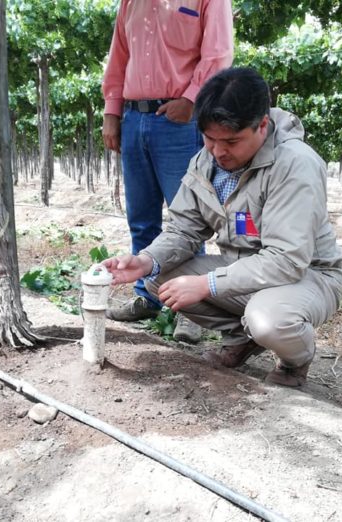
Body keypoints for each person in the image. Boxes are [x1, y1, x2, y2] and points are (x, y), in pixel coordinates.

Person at [102, 67, 342, 387]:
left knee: (268, 320)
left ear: (261, 125)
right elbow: (183, 229)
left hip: (308, 275)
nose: (218, 151)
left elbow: (287, 260)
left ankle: (294, 361)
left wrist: (208, 284)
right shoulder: (207, 160)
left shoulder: (295, 165)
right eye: (209, 138)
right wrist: (145, 260)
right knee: (159, 277)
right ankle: (239, 339)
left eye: (231, 141)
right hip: (245, 270)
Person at [101, 0, 234, 344]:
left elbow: (218, 54)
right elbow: (118, 56)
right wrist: (112, 112)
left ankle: (191, 310)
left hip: (179, 120)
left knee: (188, 220)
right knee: (141, 218)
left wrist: (192, 100)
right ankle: (148, 296)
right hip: (134, 118)